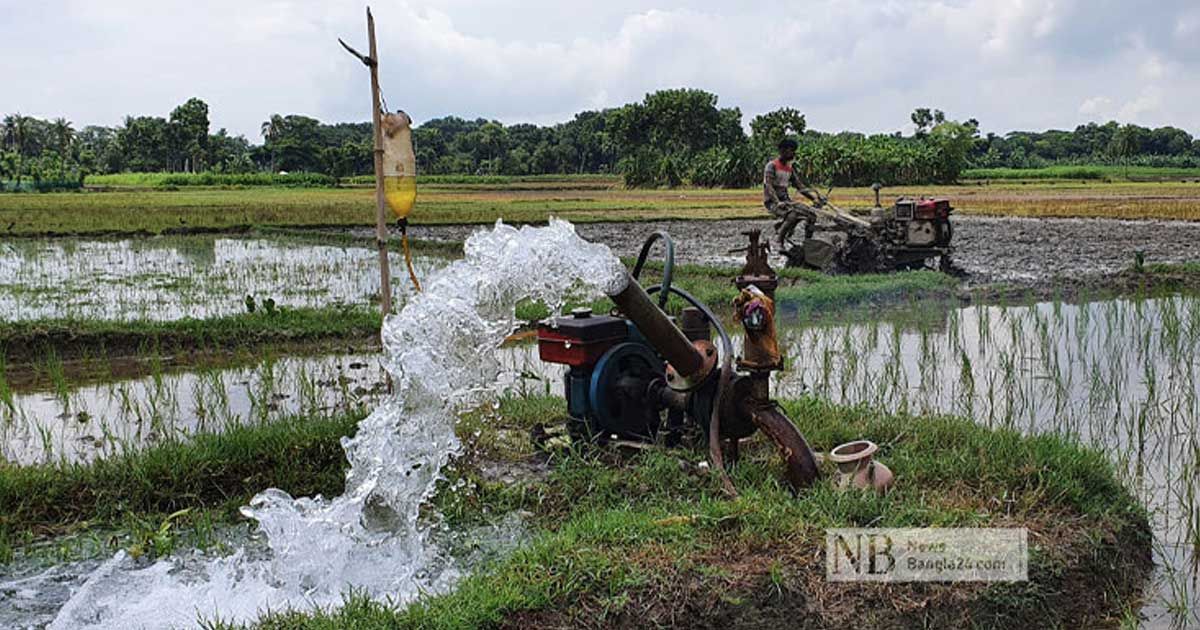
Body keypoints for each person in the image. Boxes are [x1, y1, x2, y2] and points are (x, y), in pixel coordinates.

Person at [763, 138, 823, 247]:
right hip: (772, 202)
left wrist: (814, 198)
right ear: (782, 151)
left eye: (793, 151)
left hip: (786, 201)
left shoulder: (789, 168)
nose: (793, 153)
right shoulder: (771, 166)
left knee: (811, 215)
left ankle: (807, 243)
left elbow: (799, 186)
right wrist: (777, 202)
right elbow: (769, 186)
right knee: (793, 214)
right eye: (791, 150)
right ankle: (779, 241)